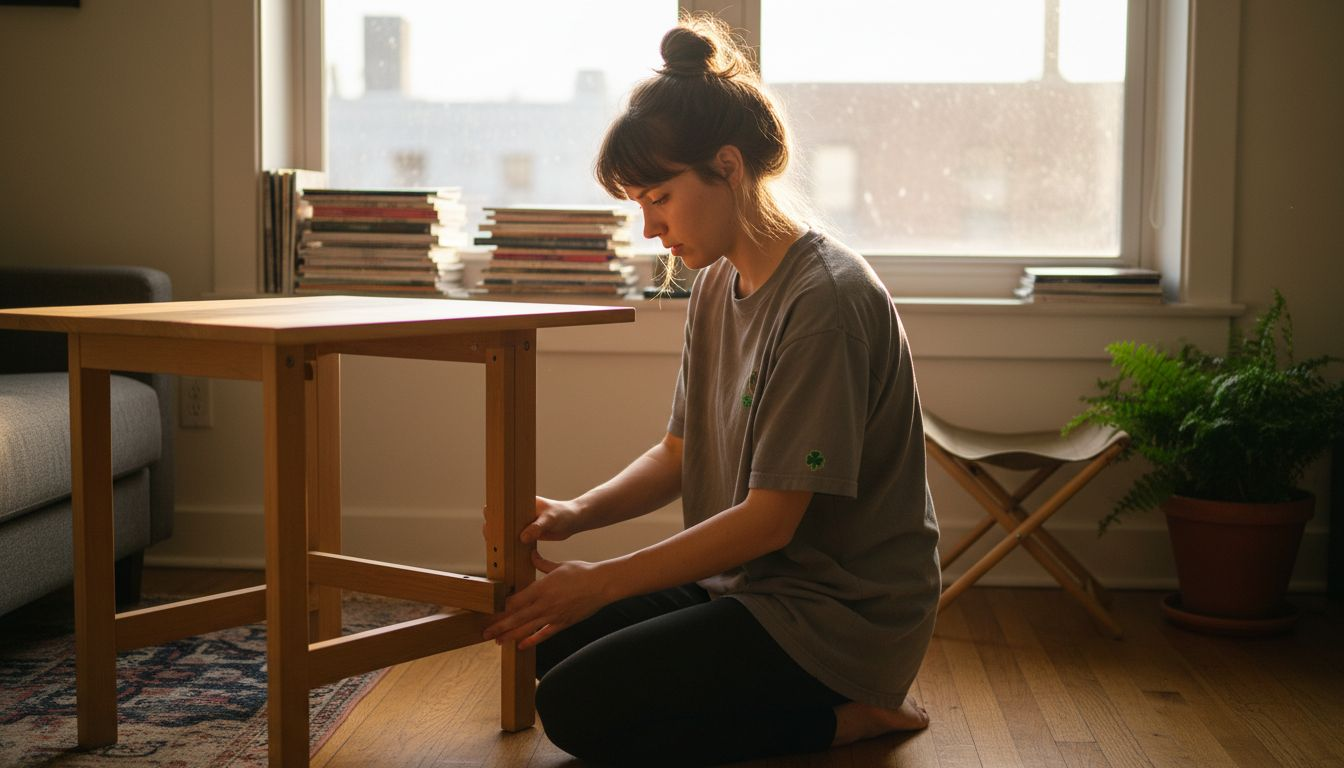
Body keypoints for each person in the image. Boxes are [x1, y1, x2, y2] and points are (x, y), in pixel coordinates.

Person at [482, 13, 941, 766]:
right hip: (745, 588)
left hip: (836, 619)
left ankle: (848, 717)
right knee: (542, 643)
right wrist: (576, 513)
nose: (649, 229)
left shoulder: (825, 303)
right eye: (638, 203)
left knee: (573, 708)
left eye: (658, 197)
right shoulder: (715, 281)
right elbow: (678, 451)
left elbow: (769, 522)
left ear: (727, 166)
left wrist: (599, 584)